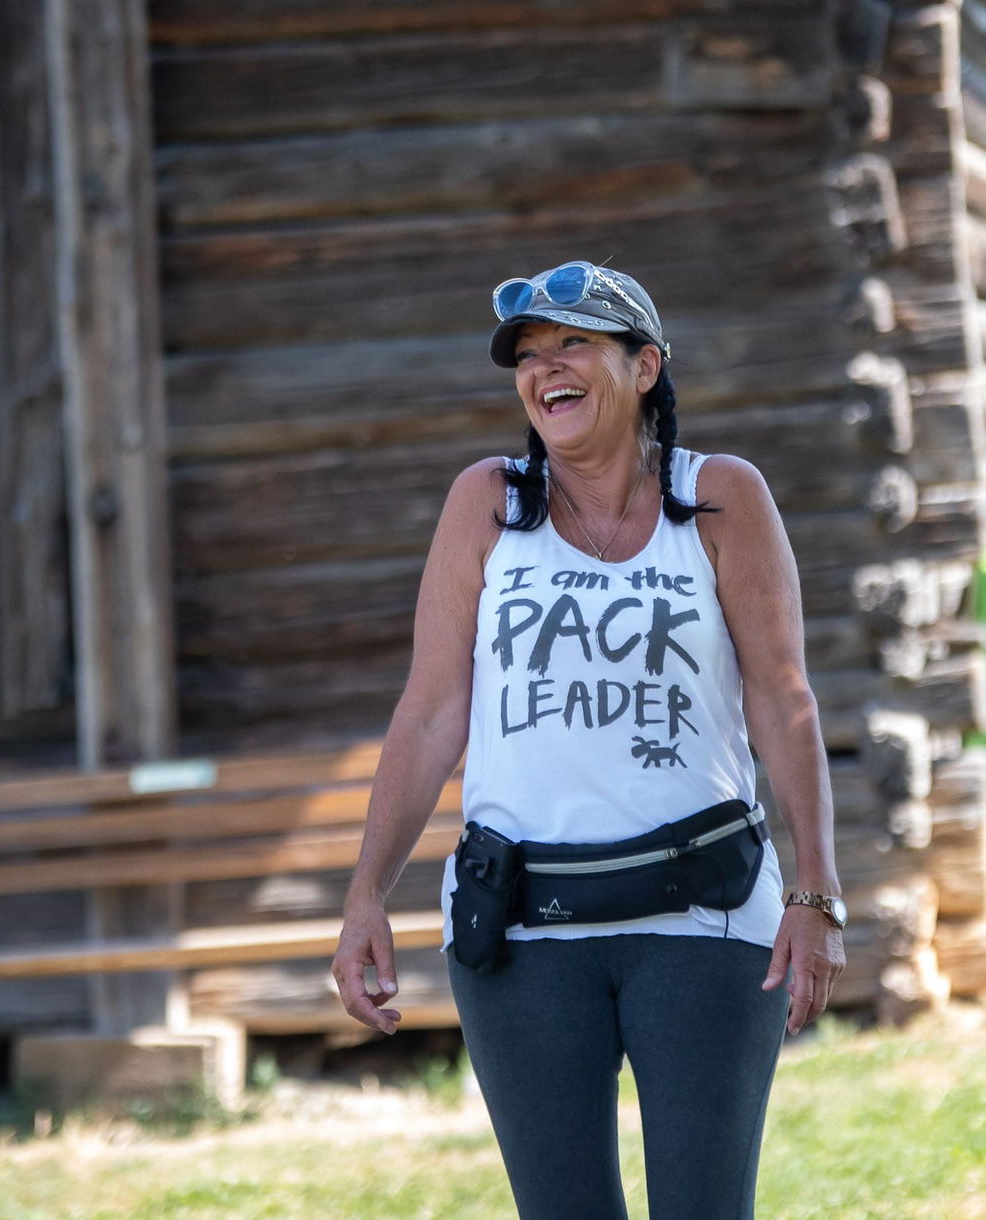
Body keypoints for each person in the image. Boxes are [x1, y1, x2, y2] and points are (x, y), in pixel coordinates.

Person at [332, 261, 845, 1220]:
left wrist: (816, 890)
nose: (545, 369)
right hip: (522, 929)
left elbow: (785, 701)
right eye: (527, 356)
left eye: (573, 344)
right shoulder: (488, 502)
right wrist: (365, 895)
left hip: (704, 917)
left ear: (645, 365)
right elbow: (431, 710)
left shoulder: (722, 497)